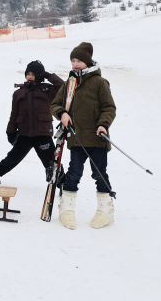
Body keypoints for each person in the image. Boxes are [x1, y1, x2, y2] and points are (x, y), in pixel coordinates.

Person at [50, 42, 117, 230]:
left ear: (87, 61)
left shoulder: (100, 83)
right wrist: (62, 113)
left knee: (99, 174)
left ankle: (106, 211)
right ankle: (67, 209)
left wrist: (103, 125)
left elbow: (109, 108)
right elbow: (54, 105)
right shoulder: (69, 83)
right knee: (74, 174)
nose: (75, 64)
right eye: (73, 60)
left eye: (79, 60)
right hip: (76, 137)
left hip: (97, 138)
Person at [0, 61, 64, 184]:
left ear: (39, 75)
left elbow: (62, 86)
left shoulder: (48, 91)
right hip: (24, 134)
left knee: (51, 161)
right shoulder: (19, 93)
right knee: (12, 157)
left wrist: (48, 75)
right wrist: (10, 131)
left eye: (33, 74)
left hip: (42, 134)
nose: (29, 77)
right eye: (28, 74)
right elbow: (14, 114)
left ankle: (62, 183)